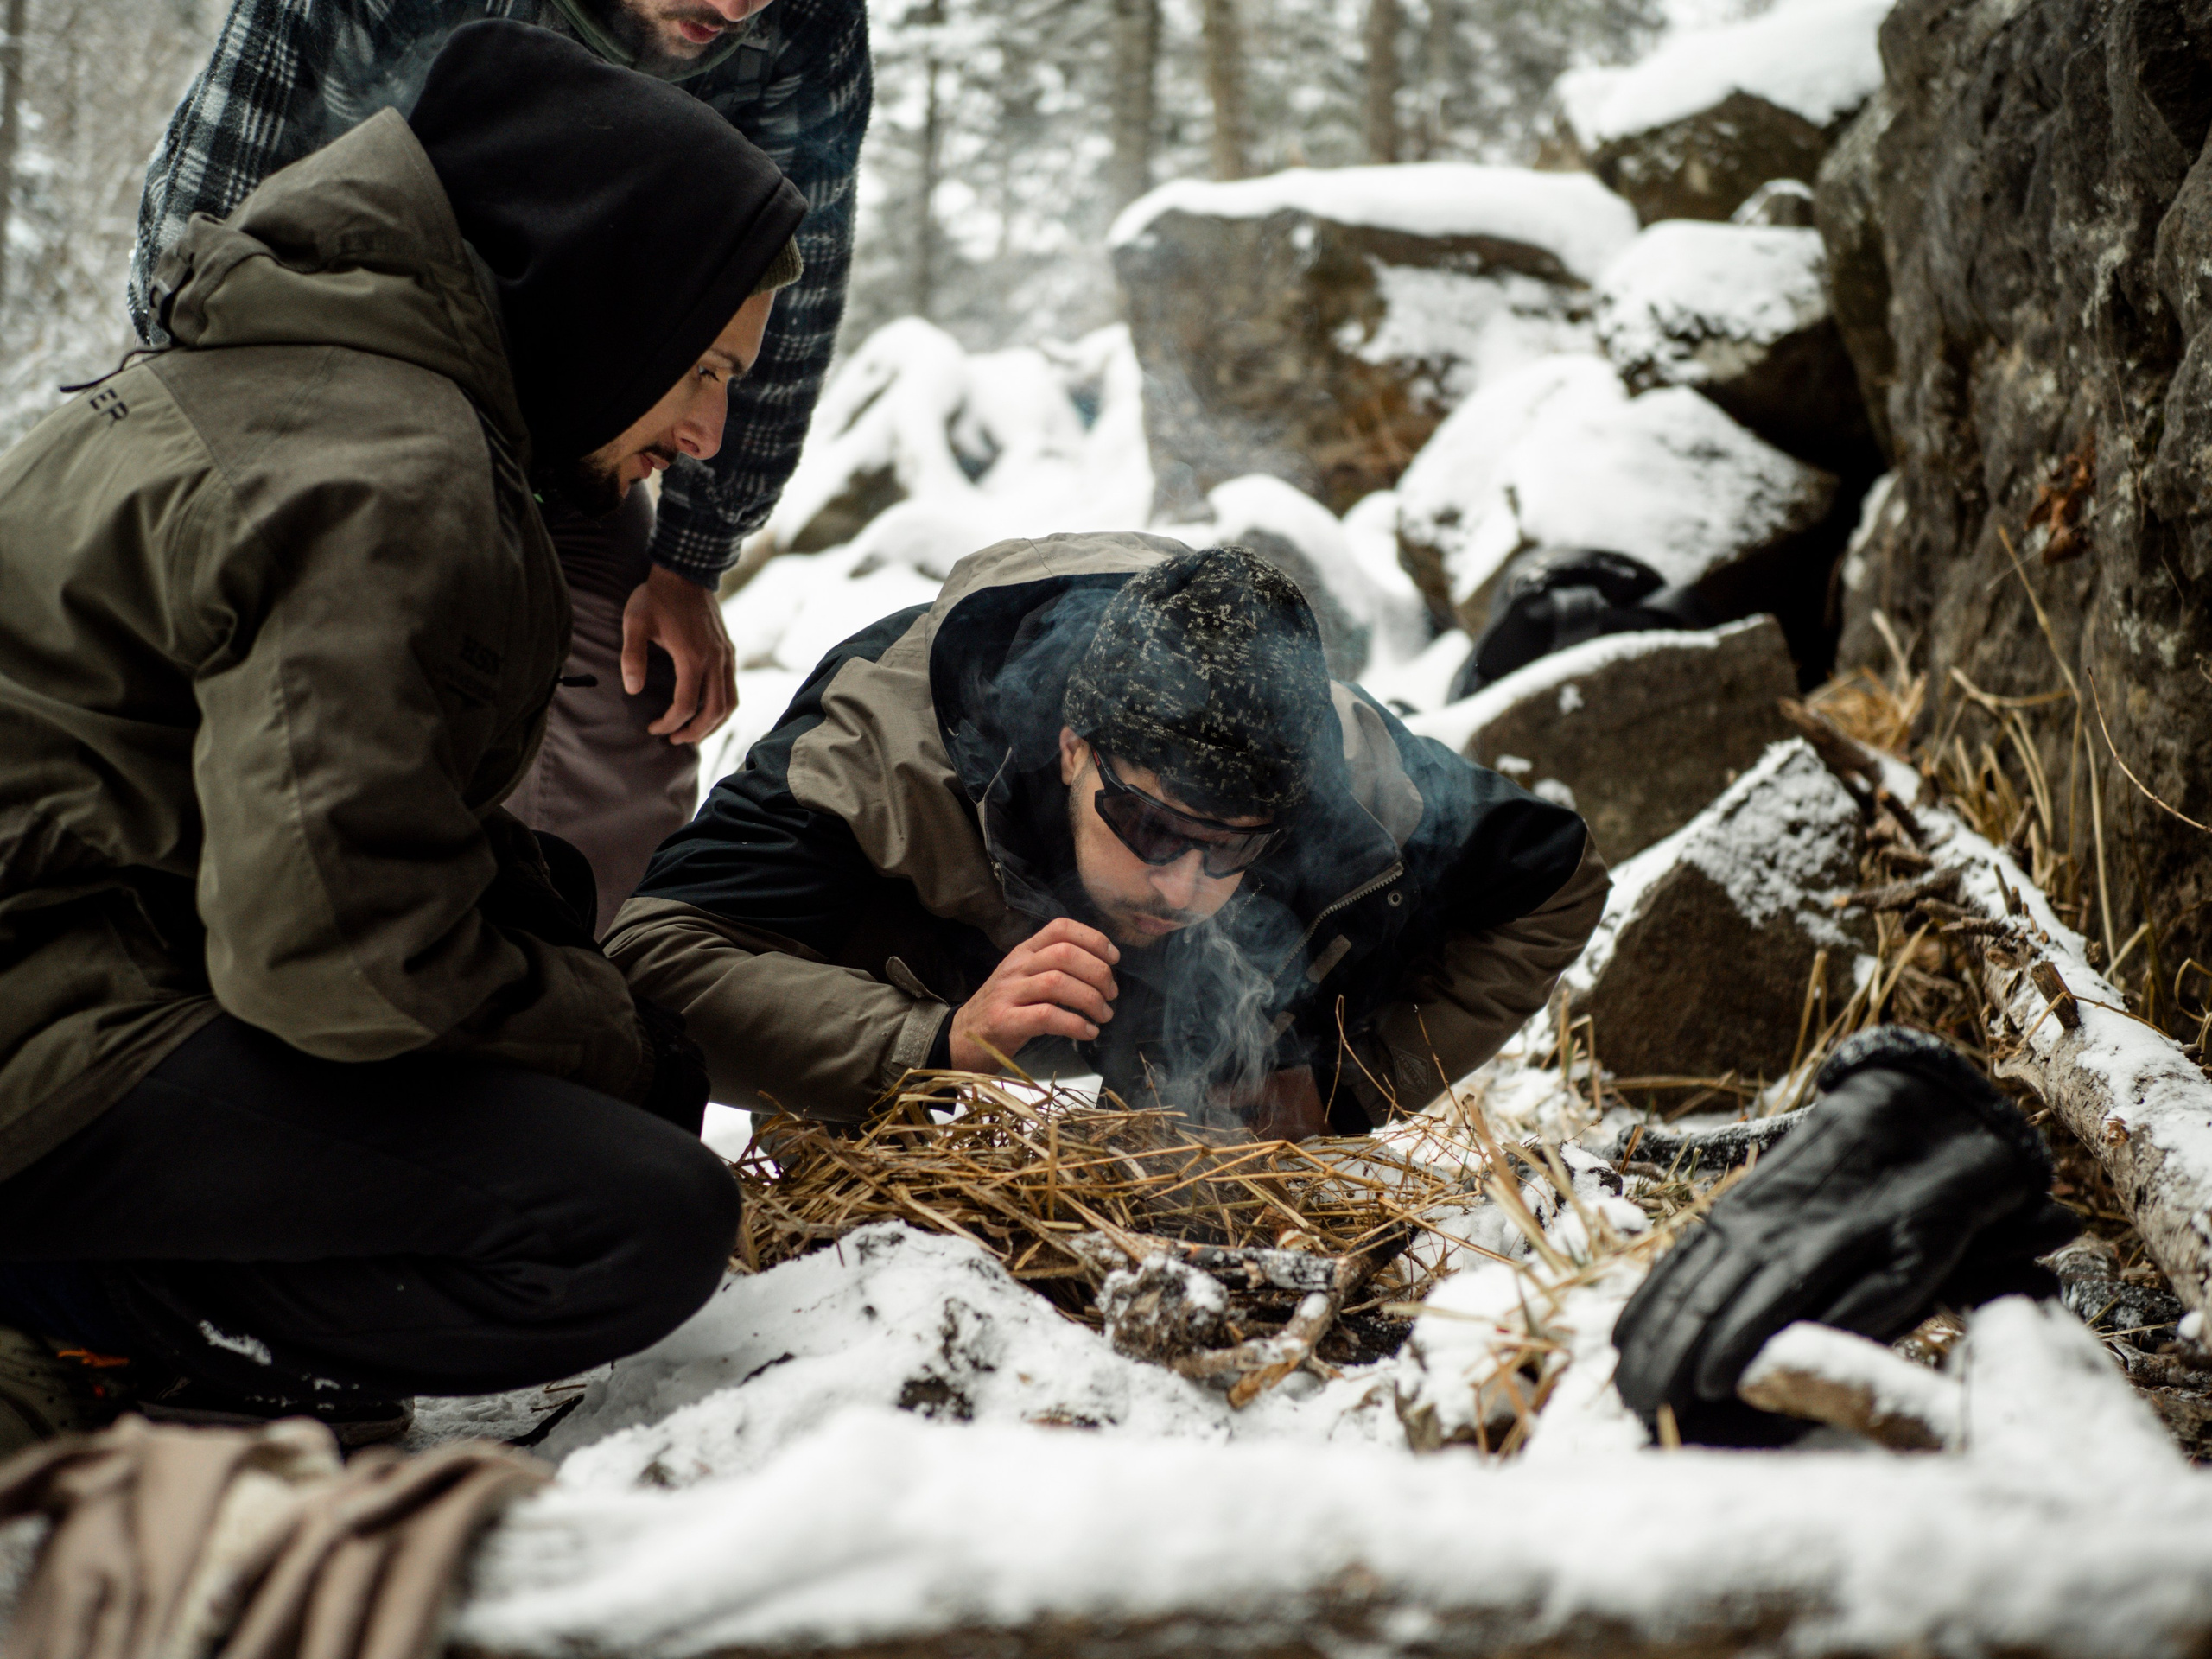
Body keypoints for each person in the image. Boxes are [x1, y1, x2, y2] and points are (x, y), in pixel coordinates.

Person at [0, 21, 806, 1453]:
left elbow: (297, 812)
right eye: (705, 370)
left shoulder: (304, 374)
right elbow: (343, 965)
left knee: (536, 916)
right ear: (609, 302)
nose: (706, 432)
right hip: (43, 1035)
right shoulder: (388, 473)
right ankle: (66, 1311)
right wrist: (623, 1047)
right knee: (635, 1220)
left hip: (78, 959)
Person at [131, 0, 870, 932]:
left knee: (626, 700)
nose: (737, 8)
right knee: (334, 680)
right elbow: (200, 214)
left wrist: (692, 556)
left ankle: (572, 1002)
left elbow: (787, 290)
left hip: (586, 416)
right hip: (314, 370)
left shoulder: (808, 24)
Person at [607, 536, 1611, 1140]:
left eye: (1231, 849)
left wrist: (1348, 1087)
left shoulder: (1338, 763)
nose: (1180, 886)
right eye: (1147, 826)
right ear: (1074, 747)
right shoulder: (886, 734)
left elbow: (1555, 880)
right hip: (912, 999)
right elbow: (648, 962)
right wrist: (934, 1045)